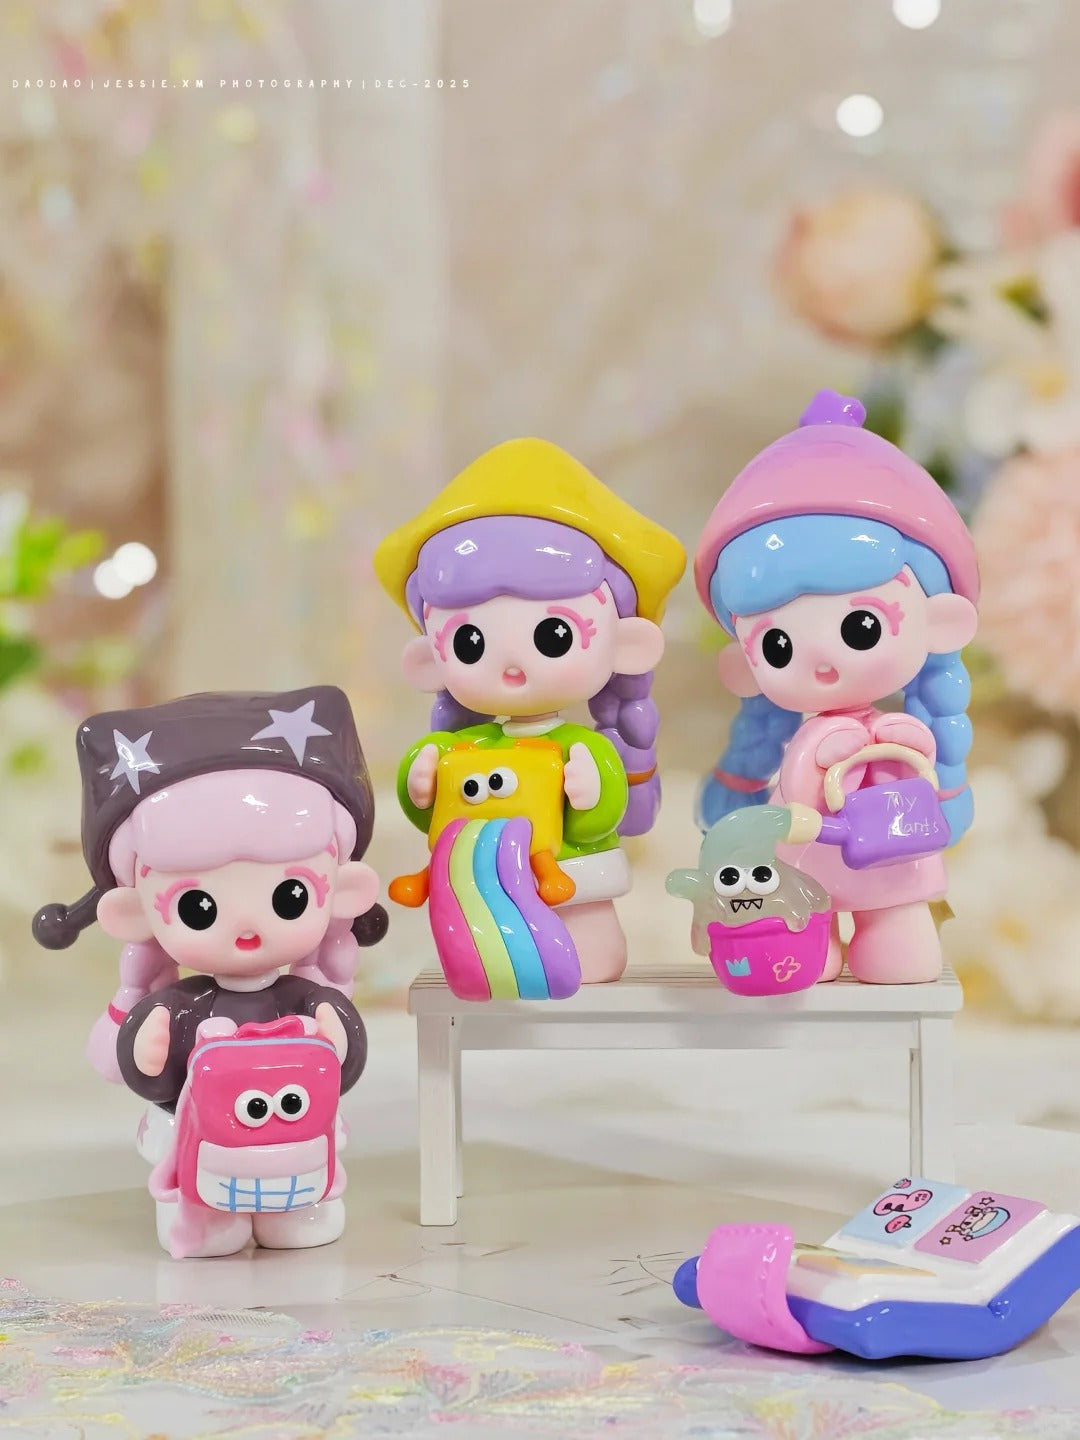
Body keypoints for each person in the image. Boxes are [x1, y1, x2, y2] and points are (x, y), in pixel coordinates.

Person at [33, 685, 386, 1253]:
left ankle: (298, 1208)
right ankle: (203, 1218)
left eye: (290, 896)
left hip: (297, 1151)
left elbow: (345, 1061)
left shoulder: (307, 996)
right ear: (133, 913)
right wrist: (148, 1049)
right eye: (198, 907)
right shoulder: (179, 1006)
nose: (246, 926)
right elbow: (143, 1071)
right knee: (195, 1187)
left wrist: (335, 1036)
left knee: (300, 1200)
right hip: (200, 1152)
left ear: (344, 891)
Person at [374, 438, 685, 983]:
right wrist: (418, 782)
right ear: (427, 660)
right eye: (470, 642)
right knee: (486, 964)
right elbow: (435, 817)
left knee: (588, 955)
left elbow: (603, 815)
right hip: (483, 899)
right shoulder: (459, 748)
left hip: (574, 880)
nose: (512, 665)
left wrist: (590, 793)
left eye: (553, 635)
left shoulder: (581, 747)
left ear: (626, 645)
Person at [693, 390, 979, 983]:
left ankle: (891, 936)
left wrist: (909, 746)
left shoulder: (903, 731)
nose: (822, 660)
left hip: (894, 861)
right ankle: (814, 946)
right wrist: (821, 758)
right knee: (806, 946)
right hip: (809, 863)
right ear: (743, 664)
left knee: (900, 948)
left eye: (860, 626)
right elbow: (799, 795)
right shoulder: (810, 741)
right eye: (778, 645)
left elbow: (918, 777)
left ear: (940, 623)